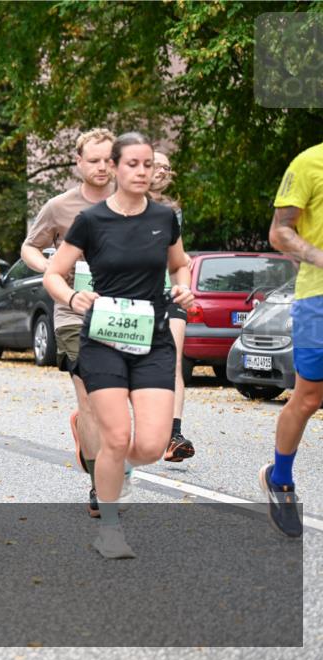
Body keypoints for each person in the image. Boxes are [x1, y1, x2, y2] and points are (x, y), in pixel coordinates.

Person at [44, 132, 194, 559]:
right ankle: (109, 528)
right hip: (104, 339)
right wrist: (72, 297)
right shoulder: (91, 220)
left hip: (153, 338)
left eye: (148, 164)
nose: (143, 172)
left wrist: (183, 289)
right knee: (116, 436)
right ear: (114, 166)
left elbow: (180, 265)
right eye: (133, 164)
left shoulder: (165, 218)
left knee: (149, 445)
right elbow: (55, 272)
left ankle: (110, 456)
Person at [21, 127, 116, 518]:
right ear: (78, 163)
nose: (101, 167)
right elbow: (30, 246)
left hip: (123, 317)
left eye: (108, 160)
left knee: (117, 404)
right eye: (93, 160)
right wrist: (52, 270)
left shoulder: (132, 203)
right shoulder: (60, 206)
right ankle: (99, 485)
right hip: (73, 315)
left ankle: (95, 443)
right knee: (93, 400)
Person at [260, 142, 323, 538]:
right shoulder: (309, 162)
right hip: (318, 297)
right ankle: (280, 478)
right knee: (310, 396)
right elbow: (280, 230)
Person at [149, 150, 195, 462]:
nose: (164, 171)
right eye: (158, 166)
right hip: (130, 299)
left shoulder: (172, 212)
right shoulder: (114, 206)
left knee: (173, 362)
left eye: (168, 167)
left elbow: (179, 260)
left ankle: (173, 435)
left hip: (168, 296)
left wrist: (185, 288)